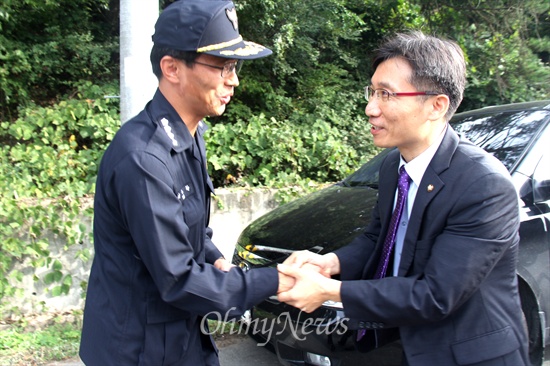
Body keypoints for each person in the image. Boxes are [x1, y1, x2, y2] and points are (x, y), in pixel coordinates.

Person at [277, 31, 529, 365]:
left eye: (386, 94)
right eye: (372, 92)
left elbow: (436, 295)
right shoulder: (393, 166)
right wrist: (330, 263)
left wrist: (329, 290)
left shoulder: (484, 186)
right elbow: (377, 239)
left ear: (436, 105)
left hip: (469, 354)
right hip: (405, 347)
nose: (370, 108)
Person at [79, 1, 292, 365]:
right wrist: (279, 280)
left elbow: (189, 226)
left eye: (235, 66)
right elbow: (179, 279)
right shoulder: (143, 159)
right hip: (138, 348)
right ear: (172, 68)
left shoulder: (188, 134)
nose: (233, 80)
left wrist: (216, 259)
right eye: (222, 66)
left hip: (181, 335)